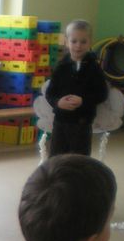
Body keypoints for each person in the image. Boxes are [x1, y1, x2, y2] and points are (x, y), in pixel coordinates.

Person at [44, 20, 109, 156]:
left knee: (79, 158)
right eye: (74, 41)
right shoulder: (61, 67)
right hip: (61, 121)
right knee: (56, 157)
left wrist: (83, 101)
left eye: (83, 42)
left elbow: (102, 93)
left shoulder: (94, 68)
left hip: (82, 122)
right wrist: (58, 102)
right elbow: (50, 93)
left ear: (90, 42)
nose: (78, 46)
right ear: (67, 42)